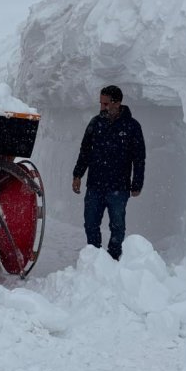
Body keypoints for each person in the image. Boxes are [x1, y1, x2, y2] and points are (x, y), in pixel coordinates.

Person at [72, 85, 145, 260]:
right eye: (101, 103)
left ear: (117, 103)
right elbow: (85, 151)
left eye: (105, 104)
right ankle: (95, 257)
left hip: (118, 187)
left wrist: (137, 183)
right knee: (90, 224)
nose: (102, 107)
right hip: (95, 185)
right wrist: (77, 175)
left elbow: (139, 158)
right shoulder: (95, 123)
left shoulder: (132, 127)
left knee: (117, 225)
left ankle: (113, 258)